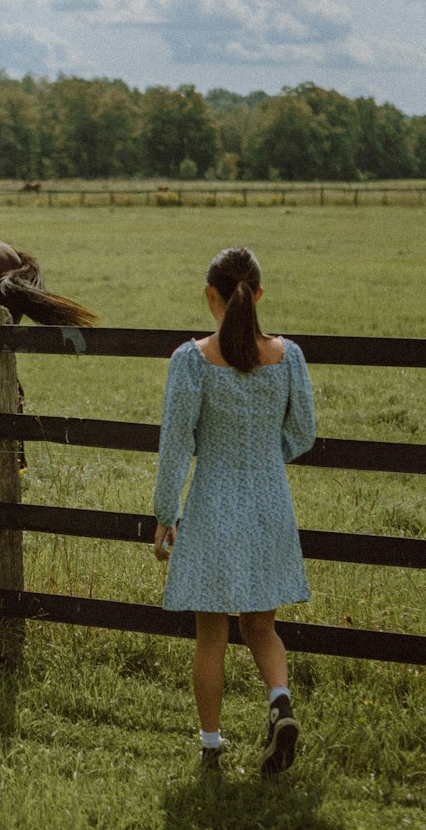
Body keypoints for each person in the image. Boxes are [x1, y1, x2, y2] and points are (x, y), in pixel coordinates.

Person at [152, 246, 316, 776]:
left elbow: (176, 446)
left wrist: (164, 515)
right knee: (262, 627)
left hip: (212, 504)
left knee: (211, 634)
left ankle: (211, 747)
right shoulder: (288, 356)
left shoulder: (192, 361)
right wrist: (268, 457)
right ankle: (280, 703)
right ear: (260, 296)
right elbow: (303, 434)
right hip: (271, 501)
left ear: (210, 295)